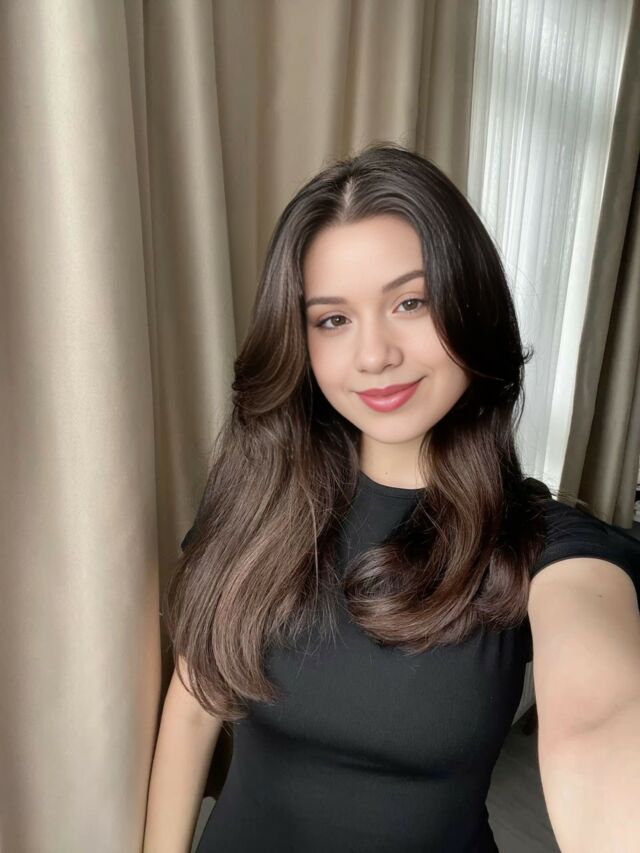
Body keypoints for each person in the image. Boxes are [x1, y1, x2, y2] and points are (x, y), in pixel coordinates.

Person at [144, 142, 640, 853]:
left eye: (411, 302)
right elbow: (194, 707)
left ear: (470, 306)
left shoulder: (547, 547)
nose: (375, 354)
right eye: (333, 319)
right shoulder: (257, 502)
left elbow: (603, 724)